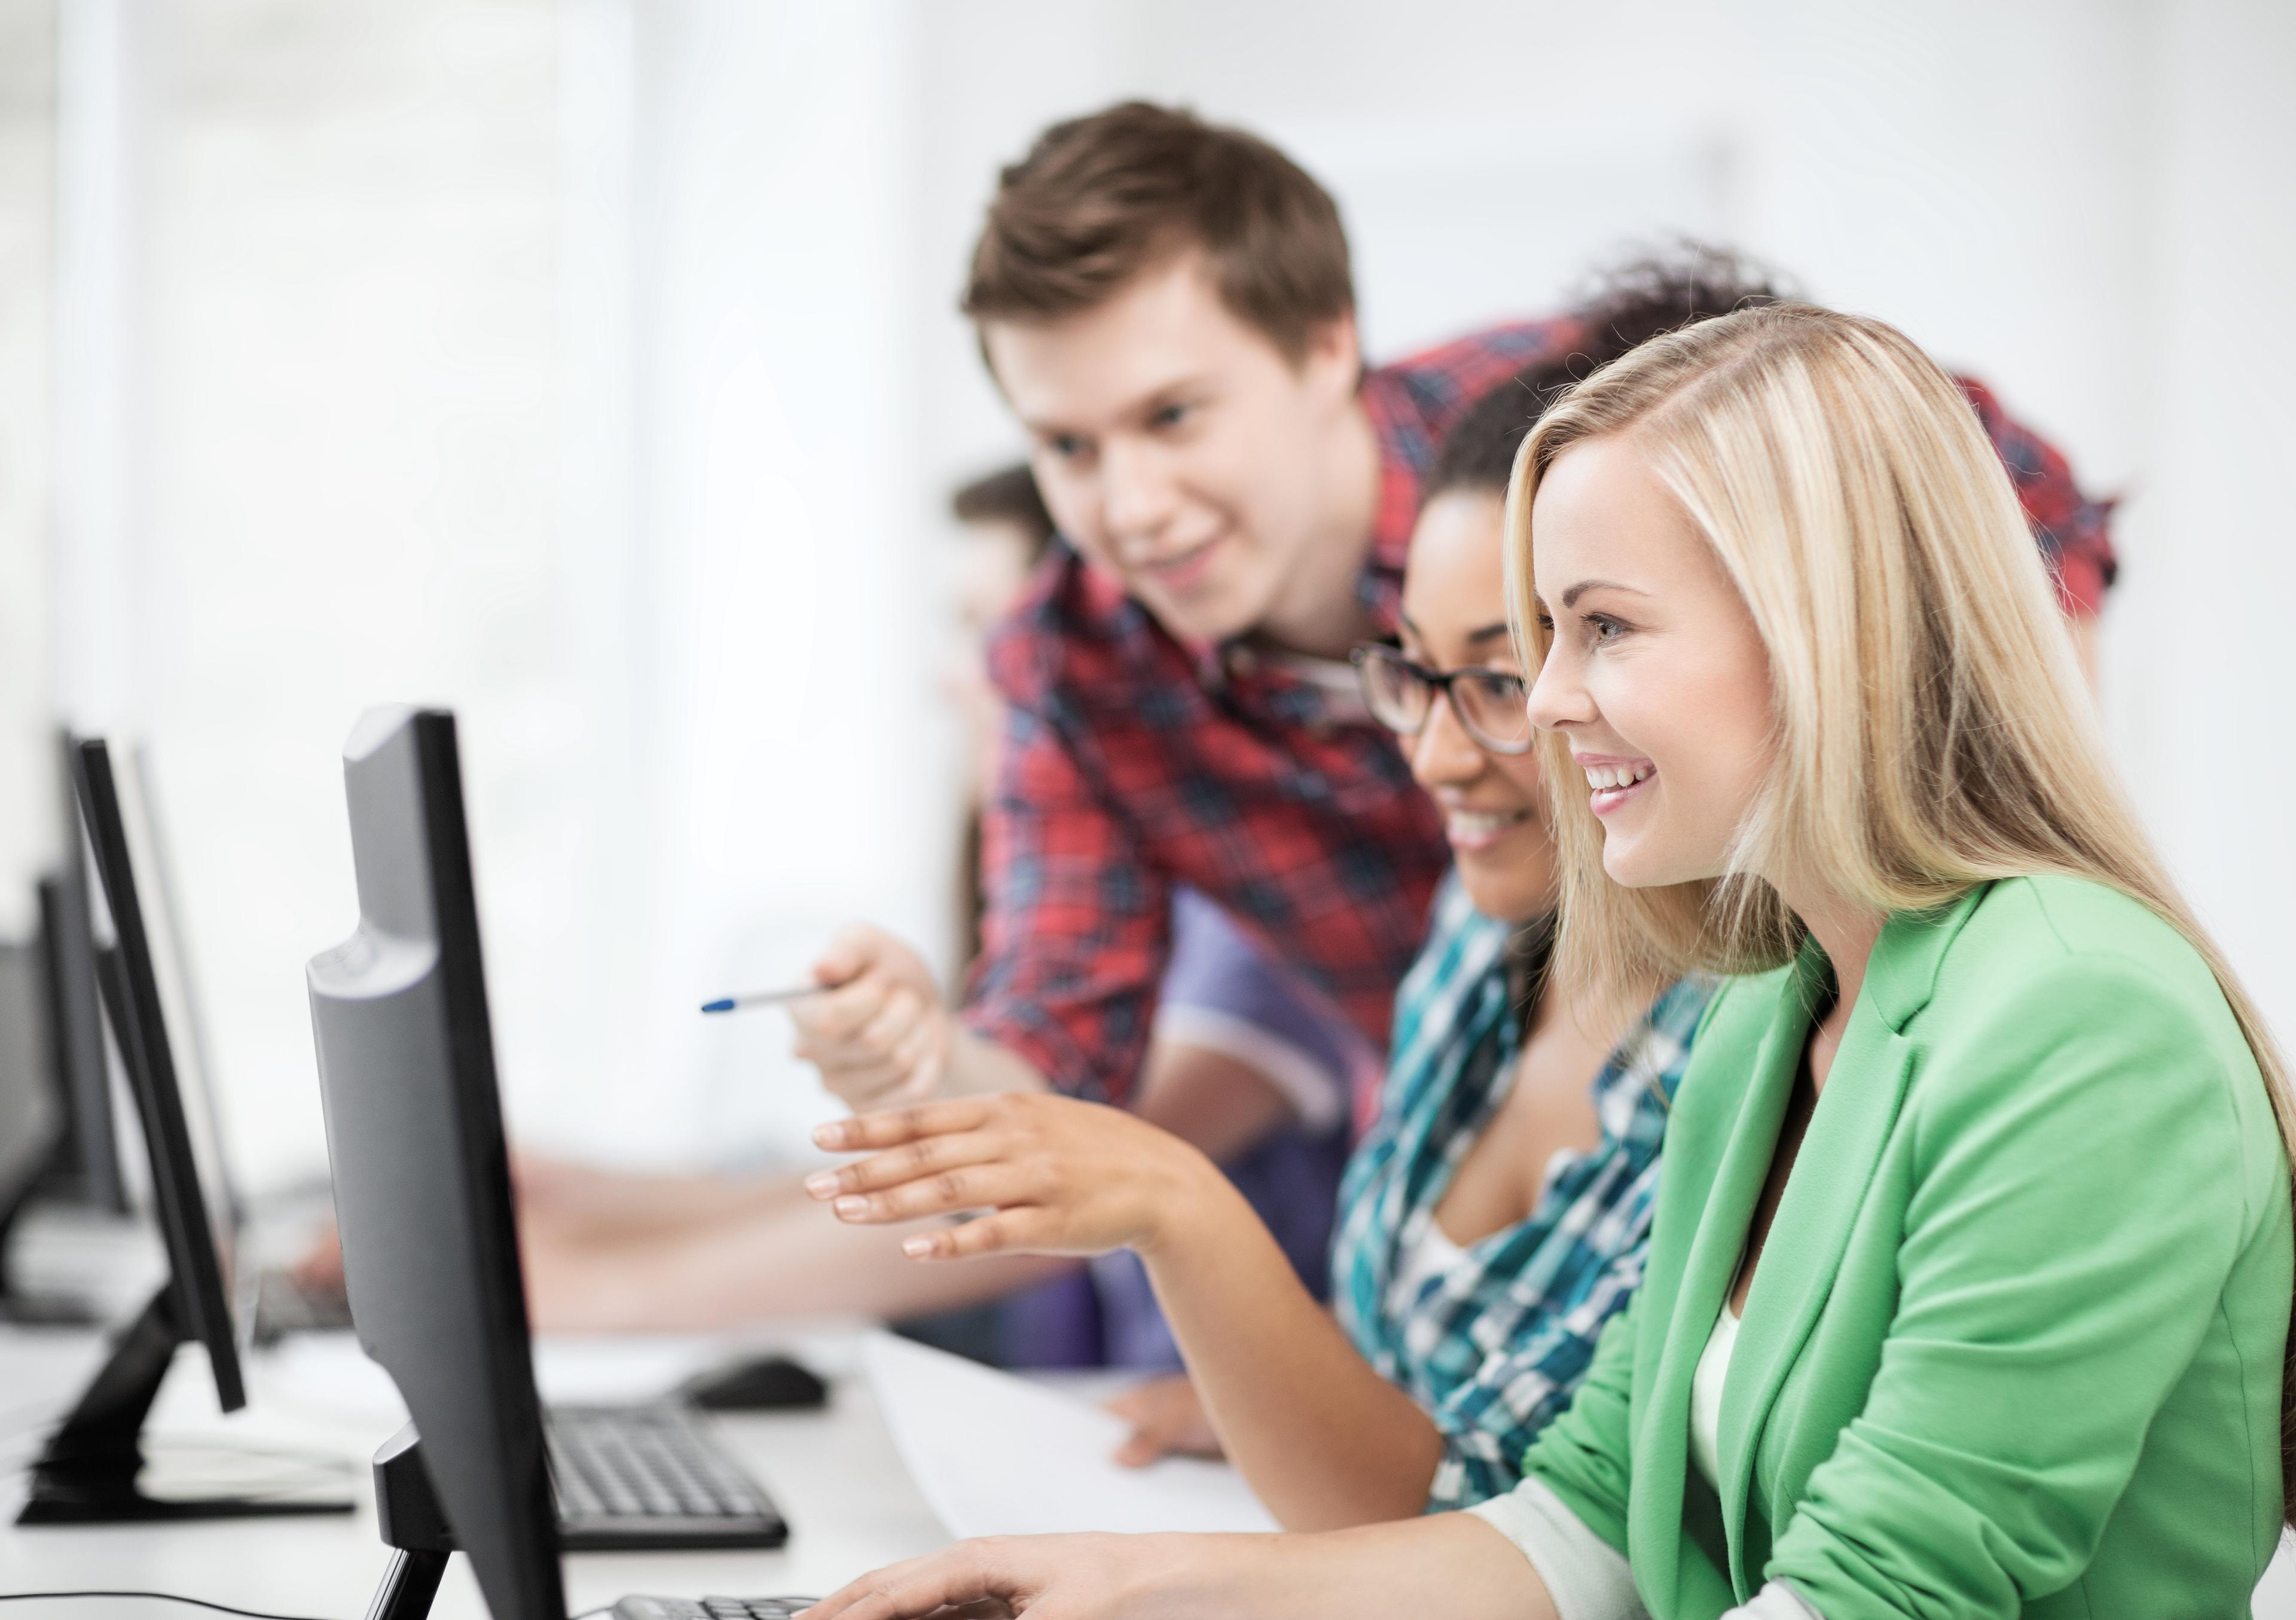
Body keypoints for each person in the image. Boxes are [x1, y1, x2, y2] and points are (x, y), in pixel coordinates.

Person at [795, 304, 2292, 1619]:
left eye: (1602, 629)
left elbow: (1885, 1592)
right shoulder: (1777, 1010)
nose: (1553, 701)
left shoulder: (2083, 1016)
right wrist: (1124, 1582)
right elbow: (1588, 1530)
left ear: (1827, 634)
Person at [787, 103, 2117, 1139]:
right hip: (1468, 1163)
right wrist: (914, 1054)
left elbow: (1994, 471)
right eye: (1067, 447)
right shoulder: (1067, 669)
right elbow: (1051, 1064)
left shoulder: (1555, 420)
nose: (1131, 506)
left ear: (1324, 346)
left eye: (1174, 417)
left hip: (1789, 1077)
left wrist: (1971, 858)